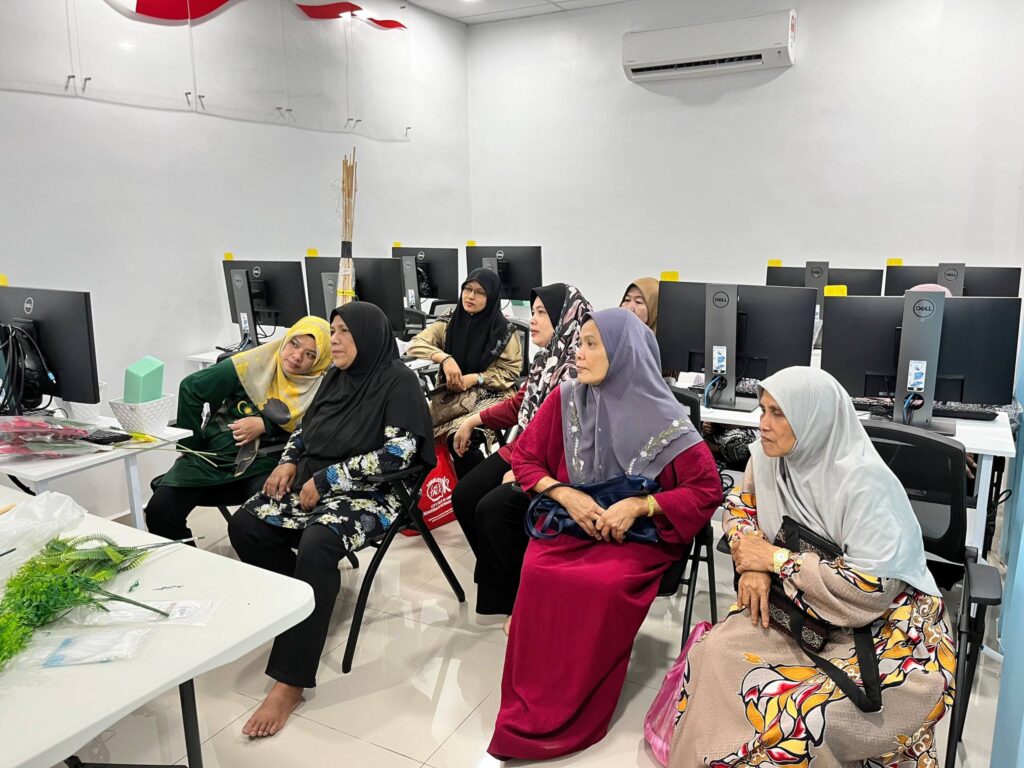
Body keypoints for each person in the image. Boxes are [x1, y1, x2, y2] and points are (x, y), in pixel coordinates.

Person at [669, 367, 955, 768]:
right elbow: (740, 509)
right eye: (762, 410)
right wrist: (751, 565)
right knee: (711, 653)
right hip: (800, 609)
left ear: (814, 421)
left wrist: (774, 559)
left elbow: (871, 590)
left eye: (778, 414)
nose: (762, 424)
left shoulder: (865, 485)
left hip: (883, 627)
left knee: (803, 715)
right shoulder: (766, 460)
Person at [487, 308, 722, 760]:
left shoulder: (667, 419)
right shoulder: (566, 399)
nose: (579, 353)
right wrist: (564, 494)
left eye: (592, 344)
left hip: (634, 534)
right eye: (580, 342)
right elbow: (526, 458)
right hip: (573, 521)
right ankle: (526, 709)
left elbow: (706, 489)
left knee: (599, 584)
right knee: (538, 571)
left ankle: (572, 707)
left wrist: (640, 505)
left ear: (623, 352)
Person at [227, 302, 435, 738]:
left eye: (343, 332)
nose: (334, 340)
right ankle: (307, 598)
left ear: (368, 337)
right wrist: (288, 461)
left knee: (319, 544)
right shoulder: (335, 377)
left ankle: (291, 681)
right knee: (245, 525)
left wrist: (330, 478)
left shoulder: (399, 382)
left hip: (373, 492)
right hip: (313, 478)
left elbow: (399, 454)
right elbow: (305, 430)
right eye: (333, 330)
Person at [450, 283, 591, 624]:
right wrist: (473, 420)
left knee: (492, 508)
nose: (533, 321)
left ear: (565, 317)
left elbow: (567, 438)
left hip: (551, 460)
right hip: (524, 448)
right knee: (464, 496)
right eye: (533, 312)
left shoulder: (578, 369)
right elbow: (519, 405)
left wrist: (526, 469)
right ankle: (500, 576)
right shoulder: (546, 359)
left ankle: (522, 594)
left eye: (542, 313)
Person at [144, 316, 332, 541]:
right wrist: (191, 448)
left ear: (320, 361)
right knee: (160, 511)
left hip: (265, 463)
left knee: (256, 521)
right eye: (294, 344)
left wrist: (266, 425)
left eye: (310, 354)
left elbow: (317, 431)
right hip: (213, 458)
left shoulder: (320, 385)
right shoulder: (250, 364)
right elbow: (190, 387)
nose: (297, 356)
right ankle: (191, 564)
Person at [405, 267, 522, 477]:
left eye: (480, 292)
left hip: (492, 393)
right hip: (454, 394)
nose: (470, 296)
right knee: (415, 433)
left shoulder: (503, 330)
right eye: (467, 289)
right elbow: (415, 344)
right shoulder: (450, 320)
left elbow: (510, 373)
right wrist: (445, 358)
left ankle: (480, 487)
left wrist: (476, 378)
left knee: (460, 439)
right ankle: (445, 488)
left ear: (491, 297)